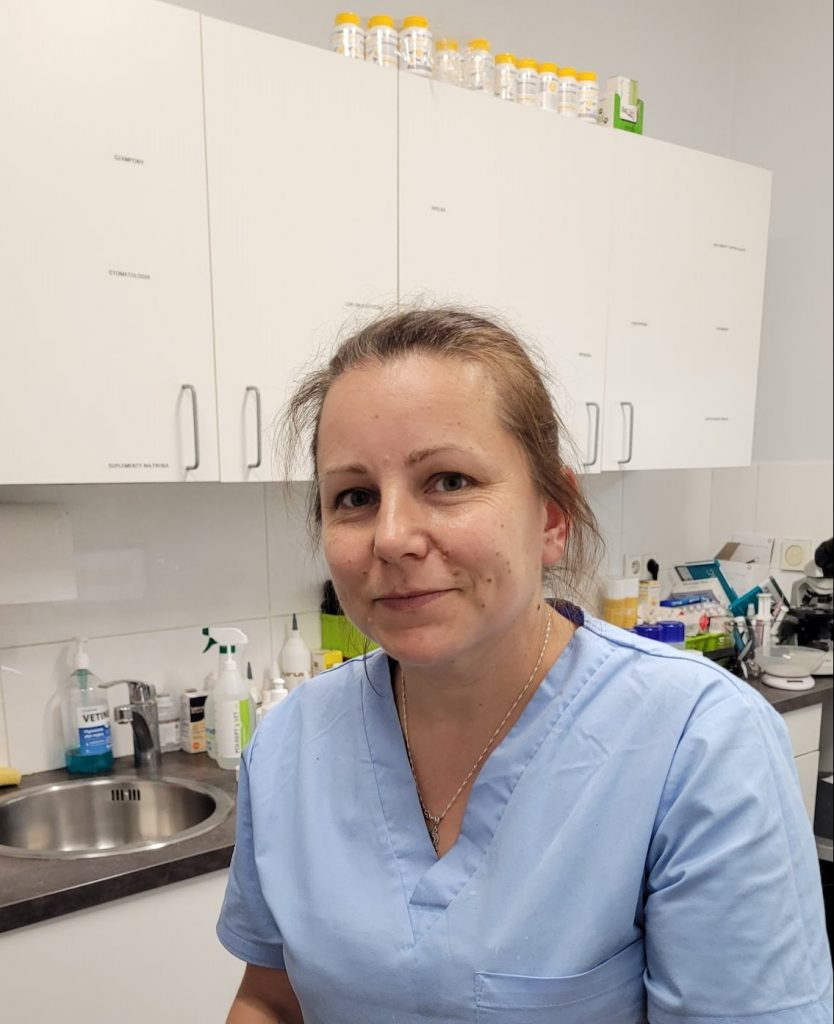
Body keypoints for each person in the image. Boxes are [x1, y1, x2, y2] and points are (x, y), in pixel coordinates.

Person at [217, 308, 832, 1023]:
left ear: (552, 517)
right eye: (354, 497)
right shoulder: (289, 744)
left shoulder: (698, 745)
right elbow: (270, 998)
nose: (392, 537)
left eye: (448, 480)